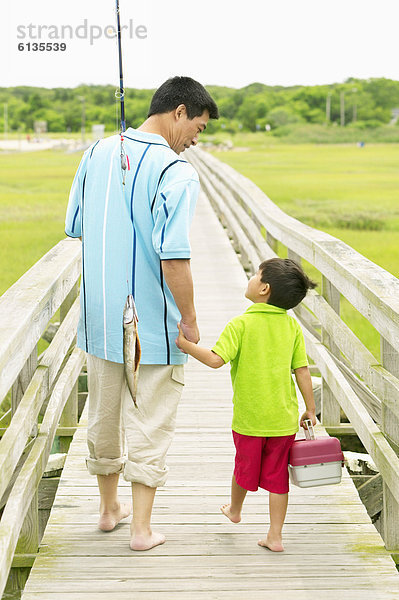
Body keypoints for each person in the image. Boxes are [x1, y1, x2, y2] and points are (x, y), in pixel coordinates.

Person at [65, 76, 219, 551]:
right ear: (178, 111)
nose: (197, 137)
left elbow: (74, 225)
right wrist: (189, 318)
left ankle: (110, 509)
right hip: (150, 323)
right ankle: (141, 530)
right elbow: (173, 256)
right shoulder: (176, 171)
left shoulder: (95, 153)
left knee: (103, 413)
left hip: (100, 318)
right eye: (198, 125)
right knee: (151, 417)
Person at [176, 257, 317, 552]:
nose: (251, 278)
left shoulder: (241, 324)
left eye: (255, 275)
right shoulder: (291, 327)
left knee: (244, 466)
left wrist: (186, 345)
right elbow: (301, 370)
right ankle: (275, 536)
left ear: (263, 289)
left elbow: (215, 360)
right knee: (278, 477)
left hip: (250, 419)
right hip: (283, 419)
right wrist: (311, 409)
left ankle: (235, 511)